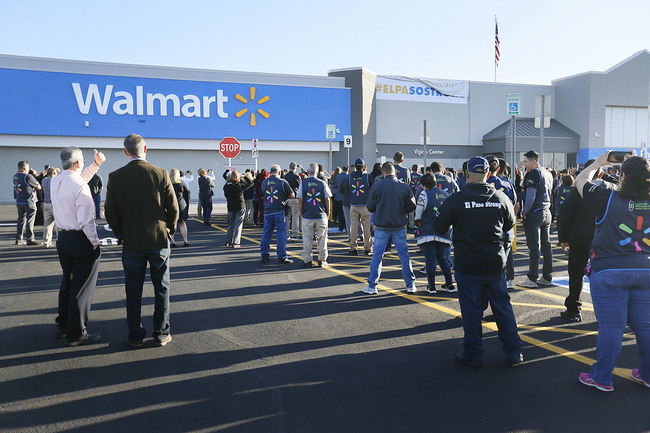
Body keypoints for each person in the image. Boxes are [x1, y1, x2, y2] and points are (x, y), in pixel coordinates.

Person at [433, 156, 523, 368]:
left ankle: (473, 354)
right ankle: (514, 352)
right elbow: (510, 223)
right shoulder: (500, 197)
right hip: (495, 262)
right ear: (489, 174)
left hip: (468, 263)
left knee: (472, 310)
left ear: (465, 174)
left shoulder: (456, 199)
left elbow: (439, 226)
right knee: (502, 307)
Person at [574, 152, 650, 392]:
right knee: (646, 327)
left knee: (611, 327)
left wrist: (598, 163)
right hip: (646, 270)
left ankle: (602, 377)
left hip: (609, 270)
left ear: (623, 175)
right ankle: (647, 374)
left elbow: (580, 181)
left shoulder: (606, 197)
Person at [105, 134, 179, 348]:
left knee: (133, 289)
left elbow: (110, 211)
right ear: (145, 148)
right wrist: (169, 230)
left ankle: (135, 335)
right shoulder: (161, 173)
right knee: (162, 288)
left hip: (131, 241)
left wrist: (121, 234)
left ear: (125, 151)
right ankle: (162, 332)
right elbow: (173, 208)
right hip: (158, 238)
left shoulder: (115, 177)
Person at [51, 147, 106, 346]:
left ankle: (63, 325)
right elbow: (86, 222)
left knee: (68, 282)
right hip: (80, 239)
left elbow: (79, 179)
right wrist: (94, 243)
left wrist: (96, 165)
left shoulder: (57, 179)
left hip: (63, 239)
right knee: (81, 287)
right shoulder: (81, 187)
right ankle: (77, 332)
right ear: (77, 163)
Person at [362, 162, 416, 295]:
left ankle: (372, 285)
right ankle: (410, 284)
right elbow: (412, 205)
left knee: (377, 256)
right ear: (395, 172)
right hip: (398, 225)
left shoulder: (377, 185)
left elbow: (370, 206)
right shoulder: (404, 186)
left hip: (381, 226)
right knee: (404, 255)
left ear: (383, 172)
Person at [518, 150, 554, 288]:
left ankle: (532, 278)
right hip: (546, 211)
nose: (524, 164)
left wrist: (524, 211)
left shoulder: (534, 173)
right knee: (546, 245)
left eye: (526, 161)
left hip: (535, 212)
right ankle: (547, 276)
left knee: (534, 247)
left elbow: (531, 195)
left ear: (534, 161)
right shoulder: (548, 173)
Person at [414, 173, 454, 293]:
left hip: (427, 231)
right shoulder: (446, 195)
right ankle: (449, 284)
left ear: (424, 185)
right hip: (443, 231)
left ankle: (431, 287)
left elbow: (418, 214)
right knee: (442, 259)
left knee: (430, 259)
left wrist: (417, 226)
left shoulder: (423, 194)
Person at [486, 156, 518, 288]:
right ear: (499, 169)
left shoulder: (482, 184)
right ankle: (509, 279)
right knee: (507, 252)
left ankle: (492, 279)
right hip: (506, 226)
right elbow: (516, 206)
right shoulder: (508, 184)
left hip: (489, 225)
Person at [298, 163, 332, 268]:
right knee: (322, 238)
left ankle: (307, 260)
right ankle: (322, 260)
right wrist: (328, 212)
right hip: (320, 215)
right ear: (317, 172)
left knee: (307, 239)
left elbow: (300, 199)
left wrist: (301, 212)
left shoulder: (303, 184)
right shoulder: (322, 183)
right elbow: (327, 199)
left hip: (307, 215)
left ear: (308, 172)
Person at [260, 164, 294, 264]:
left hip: (267, 211)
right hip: (280, 210)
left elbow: (263, 194)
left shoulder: (264, 182)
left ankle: (264, 254)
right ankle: (282, 256)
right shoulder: (282, 182)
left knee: (266, 233)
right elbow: (292, 195)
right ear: (279, 172)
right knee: (281, 234)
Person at [342, 158, 373, 255]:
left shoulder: (350, 177)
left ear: (355, 167)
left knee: (354, 227)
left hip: (354, 204)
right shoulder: (368, 177)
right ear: (364, 167)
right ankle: (367, 248)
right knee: (366, 227)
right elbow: (372, 190)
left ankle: (353, 247)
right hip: (365, 205)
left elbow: (346, 190)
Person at [223, 170, 254, 248]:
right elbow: (251, 183)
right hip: (240, 206)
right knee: (238, 225)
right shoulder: (239, 186)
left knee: (230, 224)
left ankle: (228, 241)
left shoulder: (226, 186)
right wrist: (244, 176)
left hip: (230, 206)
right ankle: (236, 242)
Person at [13, 160, 41, 245]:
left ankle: (19, 239)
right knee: (30, 220)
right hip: (29, 201)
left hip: (19, 201)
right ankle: (30, 239)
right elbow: (38, 186)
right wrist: (35, 175)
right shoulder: (28, 176)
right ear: (25, 168)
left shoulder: (15, 176)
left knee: (21, 220)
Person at [170, 168, 190, 247]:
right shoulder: (182, 183)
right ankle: (185, 240)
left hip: (171, 205)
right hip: (181, 204)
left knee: (171, 224)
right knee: (182, 223)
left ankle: (172, 241)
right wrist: (187, 207)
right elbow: (187, 195)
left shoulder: (168, 183)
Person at [41, 166, 58, 248]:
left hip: (46, 203)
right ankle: (60, 241)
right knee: (58, 223)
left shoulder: (44, 180)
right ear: (54, 173)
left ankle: (46, 242)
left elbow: (42, 175)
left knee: (47, 224)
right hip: (54, 204)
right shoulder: (56, 180)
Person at [284, 162, 302, 240]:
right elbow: (301, 187)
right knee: (295, 217)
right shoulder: (297, 176)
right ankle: (295, 234)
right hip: (295, 198)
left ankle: (286, 233)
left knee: (287, 217)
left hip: (286, 198)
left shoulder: (285, 176)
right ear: (296, 168)